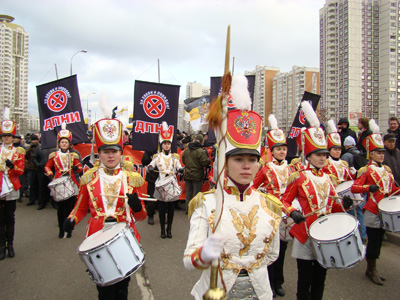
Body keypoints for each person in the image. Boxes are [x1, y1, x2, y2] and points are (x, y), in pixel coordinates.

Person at [183, 108, 282, 300]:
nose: (246, 166)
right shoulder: (207, 203)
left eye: (252, 160)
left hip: (260, 292)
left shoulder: (269, 204)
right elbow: (189, 259)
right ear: (225, 163)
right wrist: (204, 255)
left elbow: (272, 255)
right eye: (238, 159)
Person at [64, 117, 146, 299]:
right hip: (97, 238)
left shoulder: (131, 178)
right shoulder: (89, 178)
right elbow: (80, 208)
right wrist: (72, 219)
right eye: (106, 152)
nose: (110, 156)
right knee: (104, 289)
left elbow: (141, 217)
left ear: (120, 153)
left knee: (123, 287)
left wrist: (137, 207)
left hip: (124, 237)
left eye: (114, 151)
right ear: (98, 153)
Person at [281, 102, 352, 300]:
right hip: (305, 234)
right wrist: (291, 212)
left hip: (325, 235)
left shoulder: (330, 179)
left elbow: (333, 205)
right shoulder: (299, 177)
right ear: (309, 156)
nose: (323, 159)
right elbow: (284, 202)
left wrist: (343, 205)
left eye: (325, 155)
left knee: (321, 278)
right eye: (318, 155)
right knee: (304, 279)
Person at [351, 120, 400, 286]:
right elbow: (355, 187)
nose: (381, 155)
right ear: (370, 154)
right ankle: (372, 269)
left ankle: (372, 268)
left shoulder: (387, 170)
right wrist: (367, 187)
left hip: (385, 210)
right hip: (372, 210)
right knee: (372, 240)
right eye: (378, 152)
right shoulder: (366, 170)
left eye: (382, 153)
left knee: (379, 239)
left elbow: (392, 189)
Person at [252, 114, 293, 298]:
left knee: (282, 251)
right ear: (272, 150)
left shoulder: (293, 168)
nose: (282, 151)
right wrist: (264, 196)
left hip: (287, 215)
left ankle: (279, 282)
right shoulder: (266, 168)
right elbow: (253, 187)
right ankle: (267, 282)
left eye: (284, 148)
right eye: (278, 149)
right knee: (269, 251)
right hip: (270, 214)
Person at [44, 123, 83, 238]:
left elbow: (80, 167)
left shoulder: (74, 156)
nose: (64, 144)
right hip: (59, 183)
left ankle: (69, 229)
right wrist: (50, 174)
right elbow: (47, 166)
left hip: (71, 183)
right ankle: (61, 229)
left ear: (69, 144)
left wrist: (77, 168)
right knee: (60, 209)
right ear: (59, 143)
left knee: (70, 208)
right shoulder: (54, 155)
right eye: (62, 142)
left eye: (66, 142)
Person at [147, 122, 183, 238]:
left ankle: (169, 230)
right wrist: (151, 168)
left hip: (171, 186)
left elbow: (179, 167)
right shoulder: (157, 157)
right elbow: (149, 166)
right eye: (165, 144)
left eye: (168, 143)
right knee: (162, 209)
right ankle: (162, 230)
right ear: (161, 145)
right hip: (161, 186)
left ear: (170, 145)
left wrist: (182, 170)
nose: (167, 146)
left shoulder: (174, 157)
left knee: (171, 210)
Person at [0, 112, 25, 260]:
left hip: (12, 188)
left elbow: (20, 171)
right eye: (4, 136)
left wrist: (12, 166)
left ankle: (11, 245)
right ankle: (2, 246)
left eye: (9, 136)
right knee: (0, 219)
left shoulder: (18, 152)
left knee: (10, 218)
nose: (7, 138)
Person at [182, 134, 211, 214]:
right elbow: (204, 163)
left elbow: (183, 159)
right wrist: (208, 159)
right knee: (196, 194)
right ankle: (194, 210)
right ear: (201, 141)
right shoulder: (200, 151)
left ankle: (187, 209)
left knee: (188, 193)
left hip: (188, 174)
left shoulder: (187, 150)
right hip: (197, 175)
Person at [141, 149, 158, 225]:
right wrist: (150, 157)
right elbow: (144, 161)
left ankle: (163, 216)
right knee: (151, 197)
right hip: (152, 178)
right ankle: (150, 216)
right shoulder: (149, 150)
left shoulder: (166, 150)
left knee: (164, 199)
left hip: (164, 177)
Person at [25, 134, 40, 206]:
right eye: (32, 140)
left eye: (35, 140)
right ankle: (32, 199)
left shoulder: (40, 147)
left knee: (39, 185)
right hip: (31, 168)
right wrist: (30, 147)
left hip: (39, 168)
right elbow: (25, 155)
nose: (33, 141)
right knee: (32, 185)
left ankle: (39, 199)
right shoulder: (29, 148)